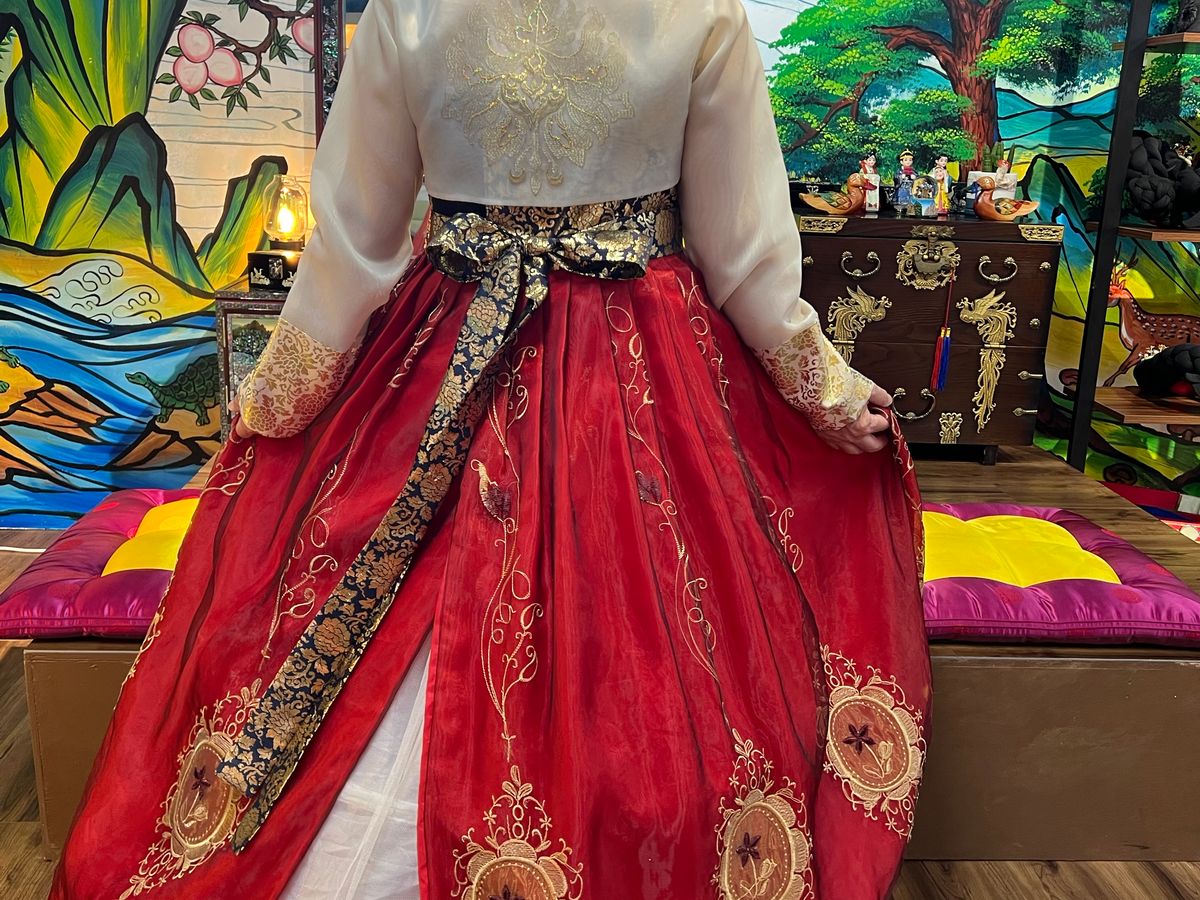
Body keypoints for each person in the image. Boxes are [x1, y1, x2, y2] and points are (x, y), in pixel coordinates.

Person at [52, 1, 930, 897]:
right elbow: (740, 245)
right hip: (634, 351)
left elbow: (355, 237)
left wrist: (279, 393)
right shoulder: (696, 9)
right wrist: (821, 383)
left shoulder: (410, 9)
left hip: (453, 337)